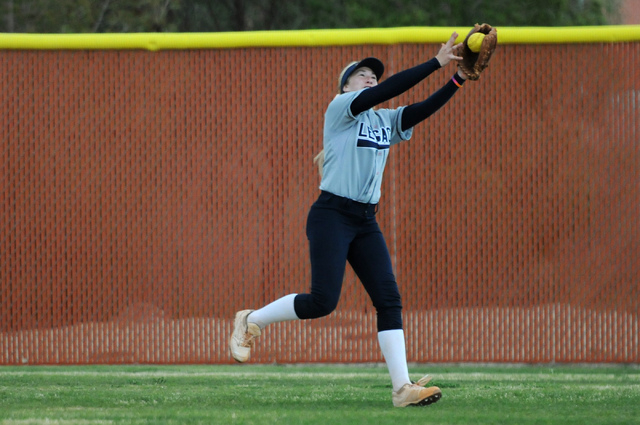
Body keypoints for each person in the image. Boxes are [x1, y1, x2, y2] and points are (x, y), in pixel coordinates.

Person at [230, 32, 467, 407]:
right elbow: (386, 90)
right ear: (345, 86)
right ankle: (251, 319)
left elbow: (420, 109)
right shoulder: (341, 108)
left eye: (373, 74)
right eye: (362, 75)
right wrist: (436, 63)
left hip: (364, 221)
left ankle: (402, 388)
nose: (370, 78)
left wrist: (457, 80)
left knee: (388, 299)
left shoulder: (384, 121)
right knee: (322, 302)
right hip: (332, 215)